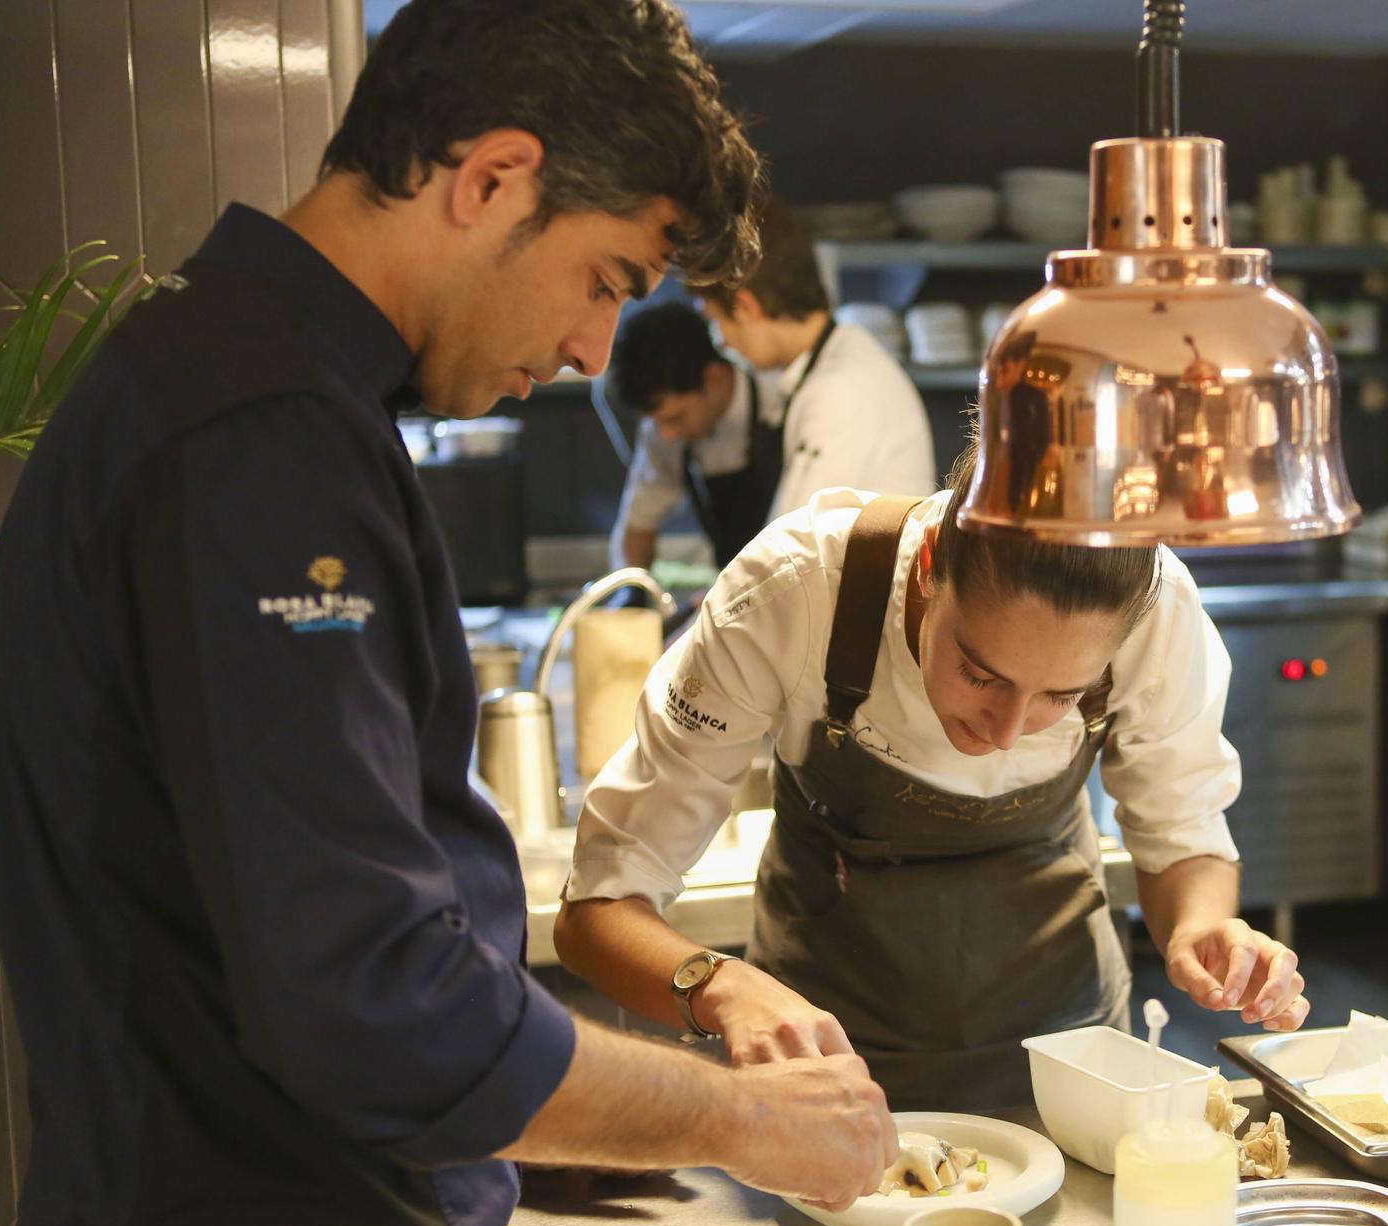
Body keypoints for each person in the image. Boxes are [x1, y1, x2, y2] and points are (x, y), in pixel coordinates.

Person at [0, 3, 894, 1226]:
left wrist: (578, 1111)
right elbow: (374, 1004)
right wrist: (741, 1117)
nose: (593, 351)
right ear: (492, 179)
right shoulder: (263, 443)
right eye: (607, 281)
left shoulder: (242, 381)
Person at [556, 450, 1310, 1113]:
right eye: (981, 673)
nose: (1007, 730)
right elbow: (596, 911)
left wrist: (1202, 926)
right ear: (927, 571)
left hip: (1069, 1059)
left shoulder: (1156, 611)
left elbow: (1183, 835)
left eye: (1062, 696)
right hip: (823, 1064)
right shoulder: (795, 593)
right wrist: (717, 987)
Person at [688, 198, 939, 521]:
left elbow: (789, 552)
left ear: (746, 307)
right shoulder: (820, 367)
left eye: (716, 320)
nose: (721, 339)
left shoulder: (842, 389)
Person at [606, 300, 778, 571]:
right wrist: (630, 593)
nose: (668, 434)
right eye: (658, 423)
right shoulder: (661, 433)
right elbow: (638, 526)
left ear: (714, 378)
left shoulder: (778, 403)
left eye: (676, 418)